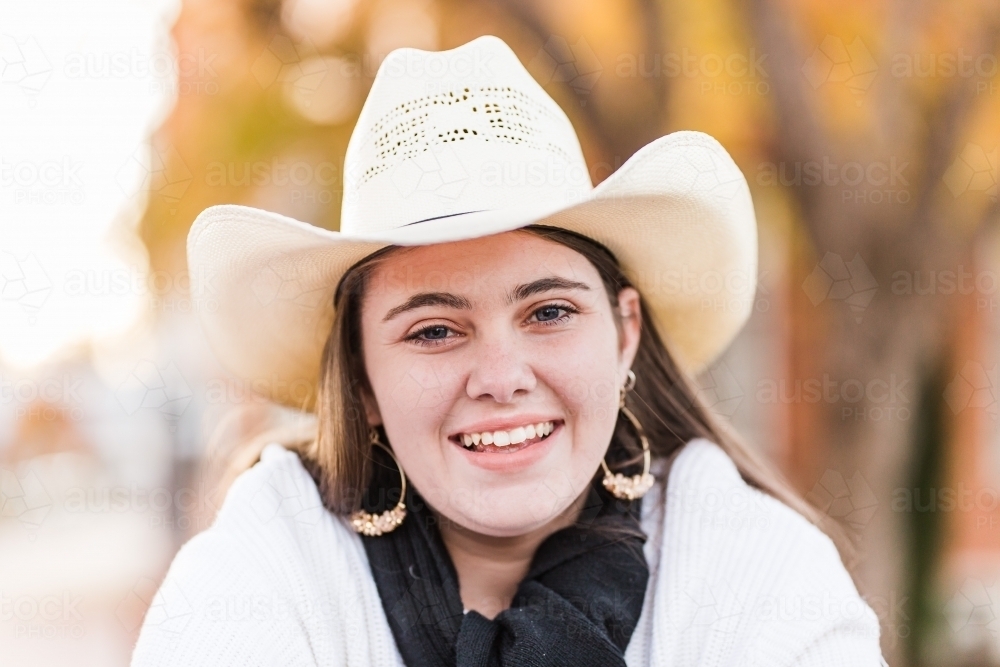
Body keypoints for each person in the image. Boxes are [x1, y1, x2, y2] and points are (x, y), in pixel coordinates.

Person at [131, 35, 887, 666]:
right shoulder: (265, 570)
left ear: (625, 334)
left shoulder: (754, 573)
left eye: (549, 311)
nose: (500, 378)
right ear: (360, 377)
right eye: (434, 330)